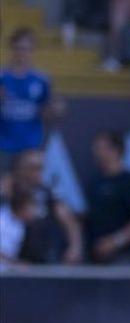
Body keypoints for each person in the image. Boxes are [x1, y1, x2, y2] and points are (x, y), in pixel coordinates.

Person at [0, 149, 83, 264]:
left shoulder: (47, 194)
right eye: (33, 168)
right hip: (9, 261)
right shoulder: (6, 191)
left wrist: (75, 247)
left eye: (41, 168)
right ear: (20, 169)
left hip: (40, 260)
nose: (38, 173)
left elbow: (68, 220)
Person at [83, 130, 130, 264]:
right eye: (96, 149)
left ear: (116, 150)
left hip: (123, 256)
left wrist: (116, 241)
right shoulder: (94, 182)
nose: (97, 153)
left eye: (101, 148)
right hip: (94, 257)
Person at [0, 28, 58, 158]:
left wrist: (54, 110)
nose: (22, 53)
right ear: (12, 49)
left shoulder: (42, 79)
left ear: (33, 50)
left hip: (30, 146)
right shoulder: (2, 77)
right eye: (18, 48)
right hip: (3, 145)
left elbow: (47, 114)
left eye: (26, 49)